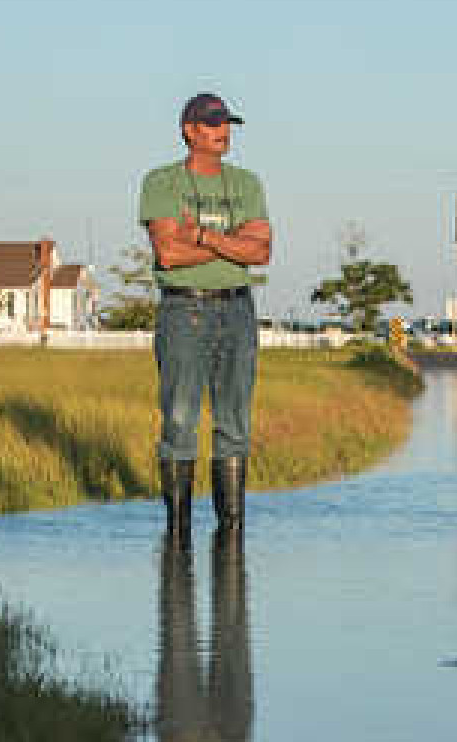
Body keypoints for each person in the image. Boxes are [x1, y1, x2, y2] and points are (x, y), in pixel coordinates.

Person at [139, 92, 272, 544]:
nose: (222, 131)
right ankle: (177, 536)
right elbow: (169, 254)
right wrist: (230, 242)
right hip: (184, 308)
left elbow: (261, 252)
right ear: (188, 130)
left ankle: (230, 535)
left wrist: (198, 232)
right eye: (212, 123)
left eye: (226, 123)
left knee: (234, 420)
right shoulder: (162, 183)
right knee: (179, 418)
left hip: (238, 307)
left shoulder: (247, 184)